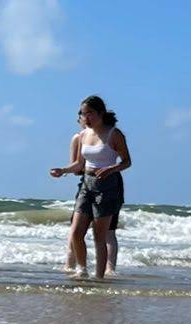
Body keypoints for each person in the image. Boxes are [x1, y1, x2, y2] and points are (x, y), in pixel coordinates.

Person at [50, 95, 131, 279]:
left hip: (108, 185)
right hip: (87, 183)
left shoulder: (114, 134)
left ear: (100, 113)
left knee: (99, 236)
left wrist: (112, 168)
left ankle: (99, 278)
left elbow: (127, 162)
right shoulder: (83, 135)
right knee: (77, 232)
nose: (86, 118)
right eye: (83, 114)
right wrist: (63, 170)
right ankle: (82, 269)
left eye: (90, 114)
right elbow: (78, 164)